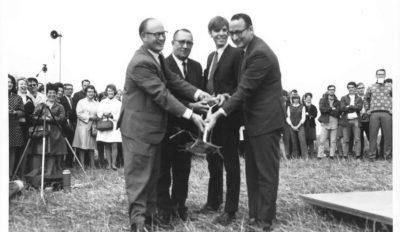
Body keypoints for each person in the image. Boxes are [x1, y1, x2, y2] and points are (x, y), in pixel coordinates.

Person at [117, 18, 209, 232]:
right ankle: (138, 224)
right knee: (139, 179)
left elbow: (175, 81)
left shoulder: (157, 58)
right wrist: (191, 114)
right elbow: (162, 94)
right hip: (139, 130)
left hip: (153, 130)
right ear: (143, 37)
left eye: (163, 33)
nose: (161, 38)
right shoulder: (141, 61)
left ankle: (149, 220)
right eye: (155, 34)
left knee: (152, 178)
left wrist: (200, 93)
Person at [205, 13, 285, 231]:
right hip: (255, 122)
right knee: (253, 171)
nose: (234, 36)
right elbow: (241, 92)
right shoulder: (248, 50)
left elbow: (244, 91)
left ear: (250, 29)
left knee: (265, 173)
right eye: (232, 33)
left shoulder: (259, 54)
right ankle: (256, 215)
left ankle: (264, 221)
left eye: (238, 32)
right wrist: (226, 98)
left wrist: (218, 114)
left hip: (266, 122)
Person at [157, 28, 207, 222]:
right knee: (163, 172)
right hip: (167, 127)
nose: (185, 46)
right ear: (172, 43)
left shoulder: (196, 66)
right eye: (181, 42)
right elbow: (166, 96)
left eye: (189, 43)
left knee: (182, 171)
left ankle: (179, 206)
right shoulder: (163, 64)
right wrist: (191, 106)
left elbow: (195, 91)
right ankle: (165, 210)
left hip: (188, 131)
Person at [197, 16, 243, 225]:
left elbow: (241, 88)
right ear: (211, 34)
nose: (222, 33)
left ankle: (230, 211)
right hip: (211, 118)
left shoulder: (236, 54)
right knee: (213, 161)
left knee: (231, 164)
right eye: (217, 31)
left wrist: (225, 96)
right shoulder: (210, 57)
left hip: (227, 118)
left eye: (225, 30)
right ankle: (213, 202)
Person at [30, 83, 67, 176]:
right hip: (42, 131)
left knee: (52, 153)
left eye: (54, 92)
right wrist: (43, 118)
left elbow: (62, 118)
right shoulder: (41, 105)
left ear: (56, 94)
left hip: (55, 133)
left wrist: (50, 118)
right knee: (40, 152)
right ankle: (37, 174)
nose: (52, 94)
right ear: (46, 94)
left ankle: (49, 174)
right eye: (49, 92)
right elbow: (34, 117)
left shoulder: (60, 106)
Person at [365, 69, 392, 160]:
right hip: (374, 114)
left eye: (382, 74)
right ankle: (372, 156)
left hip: (387, 113)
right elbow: (366, 99)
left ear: (385, 75)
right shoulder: (371, 86)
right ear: (376, 75)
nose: (380, 76)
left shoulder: (390, 86)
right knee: (373, 136)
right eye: (379, 74)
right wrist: (367, 109)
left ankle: (387, 156)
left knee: (388, 136)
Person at [96, 84, 122, 170]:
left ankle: (114, 164)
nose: (110, 92)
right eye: (108, 90)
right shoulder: (102, 102)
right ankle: (109, 164)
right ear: (106, 91)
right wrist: (104, 114)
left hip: (114, 125)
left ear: (114, 92)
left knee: (114, 144)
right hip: (105, 125)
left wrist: (111, 115)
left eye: (111, 90)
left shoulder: (118, 103)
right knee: (106, 144)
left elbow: (120, 115)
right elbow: (99, 113)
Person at [72, 85, 99, 168]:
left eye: (92, 91)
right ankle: (82, 164)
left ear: (94, 93)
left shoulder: (96, 103)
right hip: (83, 126)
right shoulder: (81, 102)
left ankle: (92, 164)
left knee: (92, 145)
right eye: (89, 92)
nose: (91, 93)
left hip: (93, 126)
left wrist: (97, 117)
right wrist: (90, 117)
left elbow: (99, 113)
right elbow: (78, 114)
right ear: (86, 93)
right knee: (82, 146)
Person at [16, 78, 35, 176]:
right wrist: (25, 107)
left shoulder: (29, 98)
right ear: (17, 86)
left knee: (25, 149)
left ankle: (22, 172)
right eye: (21, 84)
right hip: (16, 126)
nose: (24, 86)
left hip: (25, 126)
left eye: (25, 84)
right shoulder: (14, 97)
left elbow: (32, 113)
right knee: (16, 150)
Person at [339, 81, 363, 159]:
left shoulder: (359, 98)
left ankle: (358, 156)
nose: (351, 89)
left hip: (356, 120)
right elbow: (342, 108)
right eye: (349, 87)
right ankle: (345, 156)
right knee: (345, 139)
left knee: (357, 139)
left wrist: (349, 107)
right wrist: (353, 107)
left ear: (355, 88)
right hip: (346, 120)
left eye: (352, 87)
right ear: (348, 88)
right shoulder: (343, 98)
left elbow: (359, 108)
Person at [8, 75, 25, 179]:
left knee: (12, 151)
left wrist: (14, 112)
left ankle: (10, 175)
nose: (9, 84)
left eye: (11, 82)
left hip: (13, 127)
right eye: (7, 82)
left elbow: (22, 112)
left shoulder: (17, 97)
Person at [317, 85, 340, 159]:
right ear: (327, 90)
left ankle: (331, 155)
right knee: (322, 140)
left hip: (334, 122)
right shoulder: (323, 100)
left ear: (335, 90)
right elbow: (322, 110)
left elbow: (338, 112)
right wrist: (331, 108)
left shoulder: (337, 101)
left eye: (333, 89)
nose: (331, 91)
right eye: (330, 89)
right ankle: (320, 155)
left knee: (333, 140)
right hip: (326, 122)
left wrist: (328, 110)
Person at [286, 93, 308, 158]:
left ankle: (305, 157)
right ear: (292, 99)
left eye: (297, 98)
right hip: (292, 126)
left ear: (299, 99)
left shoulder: (302, 107)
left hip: (300, 126)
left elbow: (303, 117)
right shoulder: (289, 107)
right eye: (294, 98)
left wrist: (298, 126)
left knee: (302, 141)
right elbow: (288, 117)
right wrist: (292, 125)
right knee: (294, 141)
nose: (296, 100)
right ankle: (295, 156)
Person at [60, 83, 76, 167]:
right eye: (68, 89)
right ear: (64, 90)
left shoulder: (73, 99)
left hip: (73, 124)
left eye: (71, 89)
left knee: (72, 143)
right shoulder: (61, 99)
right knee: (65, 143)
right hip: (64, 125)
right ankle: (63, 162)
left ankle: (70, 162)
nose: (70, 91)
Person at [303, 92, 317, 157]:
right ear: (304, 99)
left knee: (311, 140)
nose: (309, 99)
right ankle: (305, 155)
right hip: (304, 125)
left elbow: (315, 115)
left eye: (310, 98)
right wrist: (309, 115)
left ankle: (312, 155)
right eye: (307, 98)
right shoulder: (302, 106)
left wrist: (308, 114)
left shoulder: (314, 107)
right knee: (304, 140)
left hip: (311, 125)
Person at [357, 82, 369, 157]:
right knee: (359, 138)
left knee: (370, 137)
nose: (361, 89)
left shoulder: (368, 97)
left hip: (368, 119)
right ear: (357, 89)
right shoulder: (355, 98)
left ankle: (374, 154)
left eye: (362, 88)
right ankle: (360, 154)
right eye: (359, 88)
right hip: (358, 120)